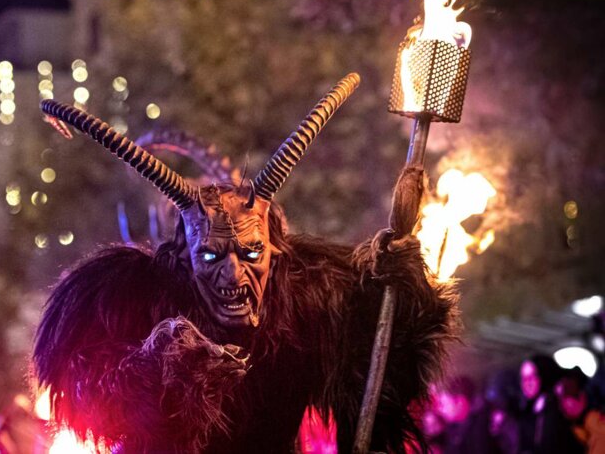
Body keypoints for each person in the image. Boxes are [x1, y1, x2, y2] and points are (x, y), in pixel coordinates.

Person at [33, 74, 458, 452]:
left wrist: (401, 289)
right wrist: (159, 370)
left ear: (275, 250)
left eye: (252, 254)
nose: (235, 274)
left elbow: (382, 376)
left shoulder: (309, 300)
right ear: (184, 258)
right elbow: (81, 387)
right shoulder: (133, 299)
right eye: (212, 256)